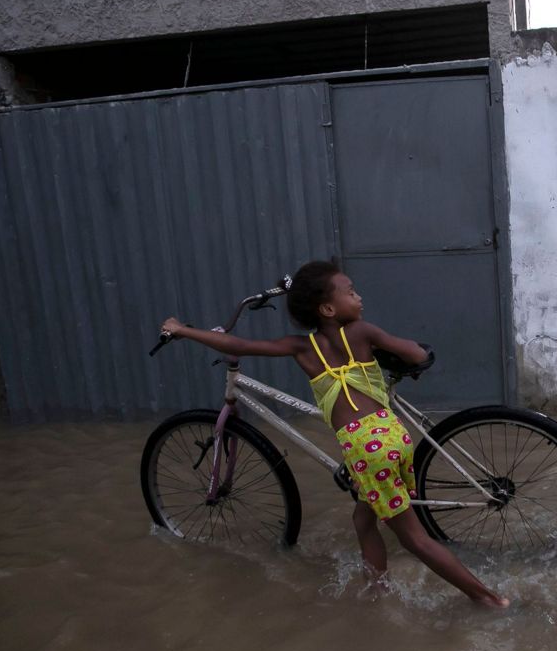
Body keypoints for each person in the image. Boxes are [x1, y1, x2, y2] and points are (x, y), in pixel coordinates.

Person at [160, 260, 509, 609]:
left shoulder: (301, 348)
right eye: (351, 292)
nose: (358, 297)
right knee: (363, 518)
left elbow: (237, 345)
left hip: (364, 449)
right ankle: (378, 593)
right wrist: (412, 354)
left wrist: (182, 329)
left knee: (415, 540)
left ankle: (488, 599)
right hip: (392, 435)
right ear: (328, 308)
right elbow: (416, 353)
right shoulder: (362, 332)